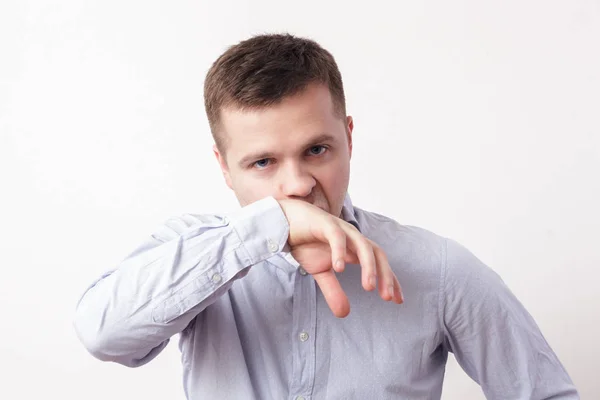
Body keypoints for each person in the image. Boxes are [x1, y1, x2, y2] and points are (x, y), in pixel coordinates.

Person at [73, 33, 578, 399]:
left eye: (316, 150)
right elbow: (103, 334)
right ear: (225, 168)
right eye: (263, 162)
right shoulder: (193, 253)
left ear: (350, 138)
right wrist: (270, 227)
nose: (296, 185)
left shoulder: (439, 269)